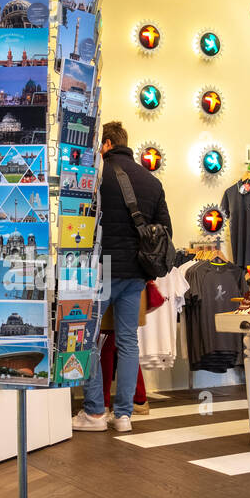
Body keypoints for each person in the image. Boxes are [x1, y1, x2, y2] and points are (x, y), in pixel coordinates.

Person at [73, 121, 172, 433]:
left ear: (106, 145)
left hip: (101, 270)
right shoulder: (152, 183)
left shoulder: (98, 180)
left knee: (89, 340)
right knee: (128, 342)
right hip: (136, 274)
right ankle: (124, 415)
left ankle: (93, 413)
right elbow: (165, 230)